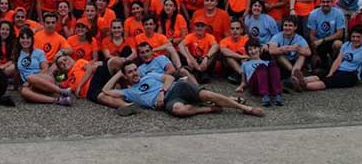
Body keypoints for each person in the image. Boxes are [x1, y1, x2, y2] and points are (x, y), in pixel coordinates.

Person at [101, 60, 263, 118]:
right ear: (126, 76)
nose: (134, 73)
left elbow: (170, 78)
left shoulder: (149, 76)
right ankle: (208, 109)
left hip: (175, 88)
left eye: (135, 69)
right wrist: (119, 74)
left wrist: (161, 93)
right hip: (170, 102)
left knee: (206, 93)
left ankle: (245, 108)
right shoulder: (130, 92)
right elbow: (106, 90)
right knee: (179, 111)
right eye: (130, 72)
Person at [299, 26, 362, 90]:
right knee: (322, 74)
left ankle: (304, 86)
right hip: (340, 70)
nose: (355, 39)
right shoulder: (346, 45)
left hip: (351, 74)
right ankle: (300, 81)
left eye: (358, 37)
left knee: (328, 81)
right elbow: (338, 60)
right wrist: (331, 72)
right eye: (353, 37)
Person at [15, 27, 72, 106]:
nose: (25, 41)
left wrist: (30, 80)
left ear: (32, 40)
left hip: (45, 79)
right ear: (19, 40)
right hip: (29, 84)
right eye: (23, 38)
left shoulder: (39, 52)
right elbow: (19, 72)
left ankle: (61, 91)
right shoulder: (17, 53)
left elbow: (45, 68)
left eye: (28, 38)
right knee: (24, 92)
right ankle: (58, 100)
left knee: (30, 77)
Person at [267, 15, 311, 91]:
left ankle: (294, 75)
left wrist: (297, 49)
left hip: (295, 62)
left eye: (290, 26)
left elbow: (308, 52)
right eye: (285, 25)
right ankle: (294, 74)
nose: (287, 28)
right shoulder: (277, 36)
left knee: (302, 55)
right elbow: (271, 50)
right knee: (278, 54)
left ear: (295, 27)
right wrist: (285, 48)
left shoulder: (299, 38)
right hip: (282, 63)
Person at [306, 0, 346, 72]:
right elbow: (312, 35)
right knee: (317, 70)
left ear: (332, 2)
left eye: (328, 2)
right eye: (323, 2)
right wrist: (315, 52)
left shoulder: (339, 13)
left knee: (338, 44)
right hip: (319, 42)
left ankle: (335, 63)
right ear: (320, 2)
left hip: (332, 40)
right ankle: (322, 64)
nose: (325, 4)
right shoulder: (313, 14)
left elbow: (340, 34)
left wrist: (323, 40)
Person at [236, 39, 283, 106]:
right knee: (261, 67)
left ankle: (277, 95)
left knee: (272, 64)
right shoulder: (245, 64)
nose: (253, 51)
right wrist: (241, 86)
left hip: (268, 85)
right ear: (247, 52)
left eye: (255, 48)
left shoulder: (266, 62)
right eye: (250, 49)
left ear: (260, 49)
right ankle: (265, 96)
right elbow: (244, 81)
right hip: (255, 86)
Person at [218, 19, 249, 84]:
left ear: (241, 30)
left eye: (237, 28)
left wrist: (244, 58)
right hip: (229, 64)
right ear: (230, 30)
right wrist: (240, 56)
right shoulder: (224, 41)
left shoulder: (247, 40)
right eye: (232, 28)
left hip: (243, 63)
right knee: (227, 55)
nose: (235, 31)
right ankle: (242, 74)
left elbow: (251, 54)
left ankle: (238, 75)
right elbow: (224, 51)